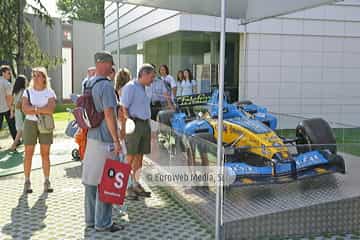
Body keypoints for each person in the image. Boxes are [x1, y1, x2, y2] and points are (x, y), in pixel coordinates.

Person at [81, 51, 124, 232]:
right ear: (101, 63)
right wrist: (117, 140)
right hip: (105, 140)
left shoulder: (88, 83)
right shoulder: (106, 86)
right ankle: (103, 223)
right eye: (110, 63)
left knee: (91, 181)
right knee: (107, 182)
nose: (112, 67)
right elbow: (109, 114)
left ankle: (91, 220)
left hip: (91, 137)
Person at [120, 64, 155, 198]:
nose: (152, 80)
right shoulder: (130, 87)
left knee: (140, 157)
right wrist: (129, 125)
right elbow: (124, 108)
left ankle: (136, 184)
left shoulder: (144, 88)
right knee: (130, 156)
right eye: (151, 77)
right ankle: (126, 187)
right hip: (134, 124)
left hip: (145, 124)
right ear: (144, 74)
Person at [22, 67, 56, 194]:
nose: (35, 78)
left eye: (38, 75)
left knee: (45, 154)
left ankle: (47, 181)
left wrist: (34, 109)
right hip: (30, 123)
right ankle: (27, 182)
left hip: (45, 124)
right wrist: (41, 109)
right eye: (34, 75)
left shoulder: (49, 92)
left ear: (44, 78)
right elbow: (25, 109)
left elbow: (51, 109)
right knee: (28, 153)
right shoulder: (27, 91)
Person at [0, 65, 17, 149]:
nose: (10, 75)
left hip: (2, 108)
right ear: (3, 73)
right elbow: (9, 98)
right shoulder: (6, 83)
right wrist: (11, 110)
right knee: (12, 125)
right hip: (6, 108)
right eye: (8, 73)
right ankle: (17, 142)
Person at [10, 75, 28, 151]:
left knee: (21, 128)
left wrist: (12, 112)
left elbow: (13, 103)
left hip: (17, 112)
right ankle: (14, 145)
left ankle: (25, 142)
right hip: (21, 111)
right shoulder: (24, 91)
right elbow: (21, 102)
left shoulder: (15, 91)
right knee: (21, 129)